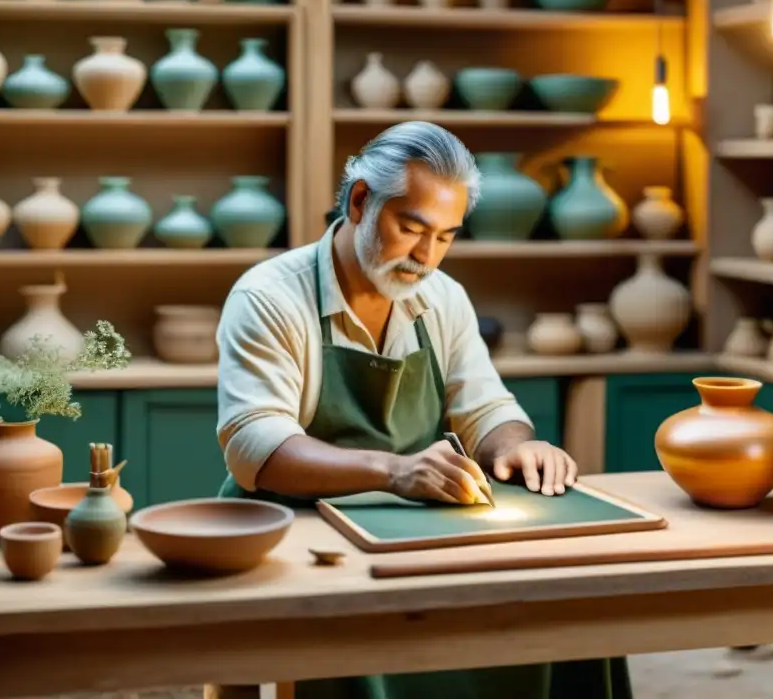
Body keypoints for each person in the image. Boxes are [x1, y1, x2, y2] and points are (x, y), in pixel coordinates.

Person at [213, 121, 631, 699]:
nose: (425, 257)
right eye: (410, 228)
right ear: (360, 201)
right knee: (361, 633)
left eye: (446, 236)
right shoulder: (269, 296)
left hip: (412, 515)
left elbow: (486, 408)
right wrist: (397, 471)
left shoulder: (441, 297)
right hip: (297, 523)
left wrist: (516, 446)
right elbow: (255, 449)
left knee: (559, 604)